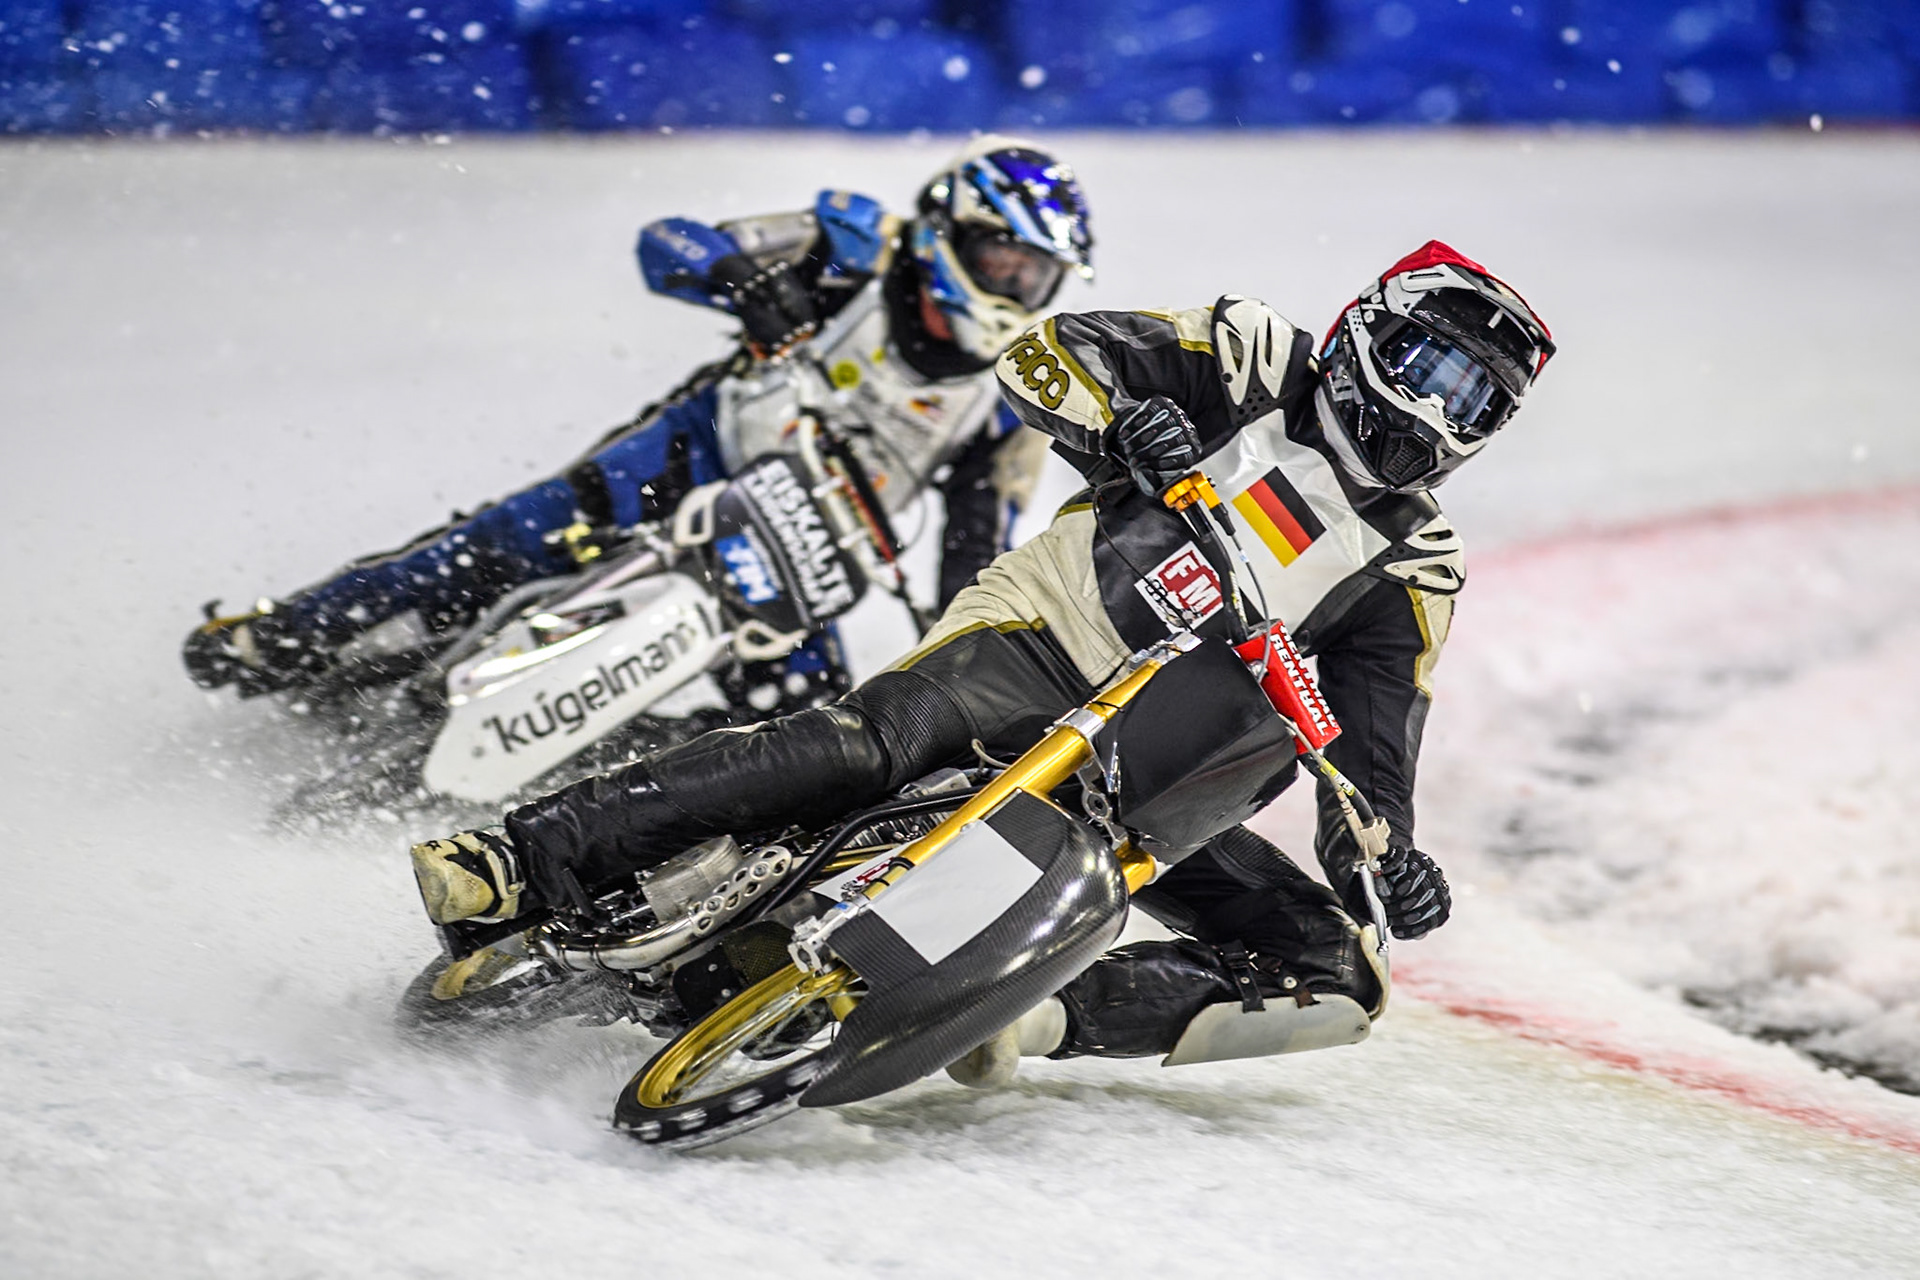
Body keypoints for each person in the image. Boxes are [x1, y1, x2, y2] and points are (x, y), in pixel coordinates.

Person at [410, 241, 1554, 1069]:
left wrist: (1389, 868)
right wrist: (1122, 426)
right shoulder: (1249, 355)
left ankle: (1027, 1019)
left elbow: (1370, 758)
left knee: (1343, 973)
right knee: (870, 745)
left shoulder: (1419, 564)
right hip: (1045, 642)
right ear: (1367, 326)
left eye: (1476, 404)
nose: (1436, 413)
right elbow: (1045, 356)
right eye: (1428, 365)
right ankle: (527, 859)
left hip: (1147, 798)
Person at [181, 135, 1094, 708]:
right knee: (501, 542)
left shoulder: (1011, 402)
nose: (1014, 287)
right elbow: (673, 242)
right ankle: (288, 631)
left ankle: (599, 786)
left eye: (1035, 276)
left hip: (807, 558)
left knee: (787, 729)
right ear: (950, 231)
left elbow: (972, 561)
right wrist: (745, 282)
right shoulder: (857, 243)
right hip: (686, 457)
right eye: (1003, 259)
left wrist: (959, 669)